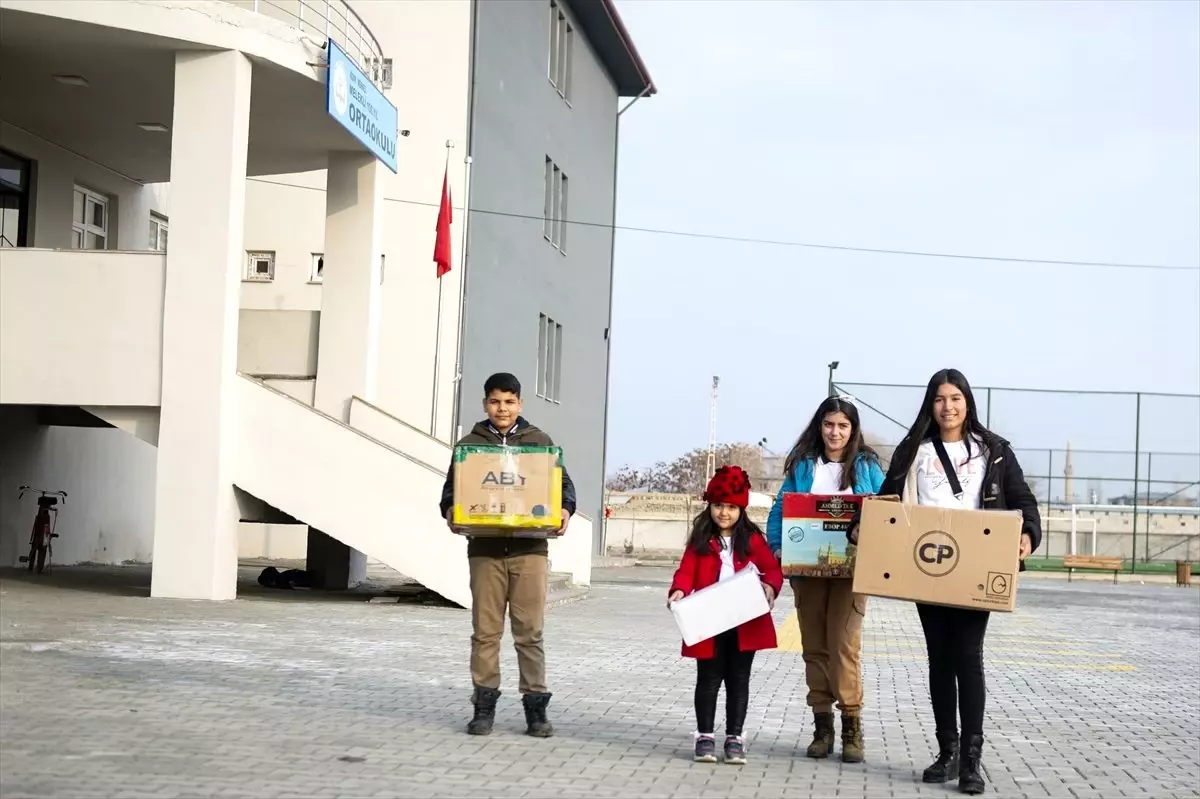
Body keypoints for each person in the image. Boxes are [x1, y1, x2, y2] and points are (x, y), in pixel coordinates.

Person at [851, 369, 1041, 795]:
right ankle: (947, 751)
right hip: (926, 565)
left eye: (955, 398)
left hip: (975, 565)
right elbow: (886, 500)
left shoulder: (992, 450)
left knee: (968, 657)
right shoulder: (913, 450)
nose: (948, 406)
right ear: (930, 404)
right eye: (940, 399)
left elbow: (1023, 500)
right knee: (939, 658)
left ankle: (972, 760)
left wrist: (1027, 534)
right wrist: (862, 529)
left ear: (967, 402)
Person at [439, 372, 576, 738]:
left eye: (510, 401)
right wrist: (451, 512)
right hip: (484, 550)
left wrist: (564, 511)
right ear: (485, 403)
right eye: (496, 401)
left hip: (529, 550)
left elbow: (564, 488)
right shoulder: (469, 446)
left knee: (529, 633)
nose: (503, 408)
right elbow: (451, 494)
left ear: (520, 404)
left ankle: (536, 710)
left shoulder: (540, 443)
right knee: (485, 632)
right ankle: (483, 708)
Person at [765, 396, 885, 763]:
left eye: (843, 426)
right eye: (829, 424)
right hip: (808, 573)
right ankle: (822, 726)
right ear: (820, 426)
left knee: (844, 645)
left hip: (852, 574)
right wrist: (778, 548)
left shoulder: (866, 468)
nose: (835, 432)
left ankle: (852, 725)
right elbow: (781, 509)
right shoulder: (804, 466)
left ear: (853, 430)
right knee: (815, 647)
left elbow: (888, 509)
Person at [667, 465, 784, 765]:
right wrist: (679, 591)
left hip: (744, 621)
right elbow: (686, 571)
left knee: (738, 679)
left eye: (731, 507)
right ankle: (704, 735)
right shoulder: (700, 541)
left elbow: (772, 569)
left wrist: (770, 588)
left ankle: (735, 737)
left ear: (741, 508)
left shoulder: (753, 539)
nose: (724, 513)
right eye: (718, 505)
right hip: (709, 621)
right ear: (710, 505)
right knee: (708, 679)